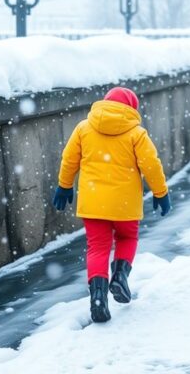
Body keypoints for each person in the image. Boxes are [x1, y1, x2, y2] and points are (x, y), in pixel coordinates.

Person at [52, 86, 171, 323]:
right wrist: (161, 192)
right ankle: (119, 276)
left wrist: (64, 185)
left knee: (98, 247)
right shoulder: (136, 133)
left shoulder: (84, 128)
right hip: (125, 204)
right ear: (130, 108)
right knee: (127, 239)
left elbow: (69, 159)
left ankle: (98, 297)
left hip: (93, 202)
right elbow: (151, 164)